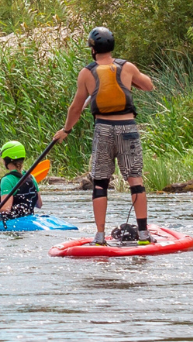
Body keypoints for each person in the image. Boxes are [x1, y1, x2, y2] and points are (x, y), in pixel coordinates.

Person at [52, 27, 156, 245]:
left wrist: (66, 130)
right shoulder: (127, 67)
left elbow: (75, 108)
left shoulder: (86, 73)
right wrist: (131, 79)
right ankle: (144, 234)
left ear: (93, 49)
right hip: (128, 128)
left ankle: (99, 236)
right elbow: (149, 85)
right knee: (135, 179)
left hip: (104, 129)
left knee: (100, 182)